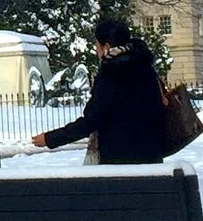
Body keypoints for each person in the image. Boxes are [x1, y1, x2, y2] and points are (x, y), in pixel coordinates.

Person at [31, 16, 170, 164]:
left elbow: (91, 120)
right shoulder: (146, 68)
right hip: (152, 156)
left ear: (107, 46)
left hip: (120, 160)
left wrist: (50, 138)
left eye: (97, 44)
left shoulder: (111, 74)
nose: (96, 49)